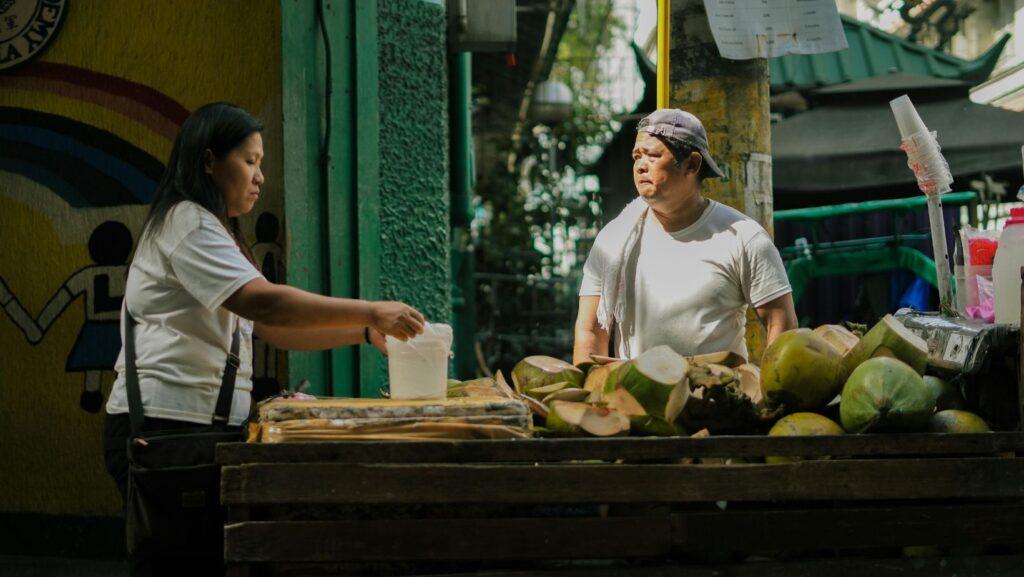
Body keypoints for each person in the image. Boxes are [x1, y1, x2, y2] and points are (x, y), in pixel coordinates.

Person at [102, 102, 425, 576]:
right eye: (250, 161)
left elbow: (269, 328)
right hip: (167, 428)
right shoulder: (187, 222)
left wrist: (362, 331)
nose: (260, 177)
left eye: (261, 163)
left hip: (191, 431)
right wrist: (371, 309)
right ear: (209, 161)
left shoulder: (212, 229)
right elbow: (265, 304)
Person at [573, 108, 796, 365]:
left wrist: (766, 385)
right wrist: (588, 387)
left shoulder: (743, 237)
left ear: (692, 164)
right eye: (637, 156)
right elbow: (590, 330)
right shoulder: (612, 241)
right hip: (635, 389)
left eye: (653, 156)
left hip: (718, 388)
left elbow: (782, 323)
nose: (641, 166)